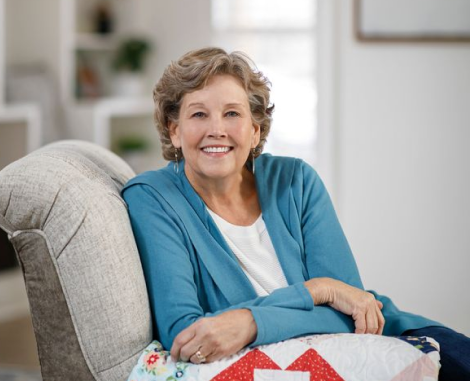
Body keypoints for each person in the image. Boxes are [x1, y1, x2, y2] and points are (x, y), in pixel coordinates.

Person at [122, 47, 470, 379]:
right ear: (174, 130)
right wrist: (317, 291)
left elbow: (353, 312)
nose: (217, 129)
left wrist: (248, 323)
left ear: (255, 130)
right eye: (199, 114)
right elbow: (184, 332)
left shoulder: (296, 181)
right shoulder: (152, 198)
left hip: (390, 339)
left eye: (232, 113)